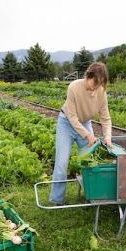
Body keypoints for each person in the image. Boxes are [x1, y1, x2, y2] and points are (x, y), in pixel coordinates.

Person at [49, 62, 113, 205]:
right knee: (61, 163)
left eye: (99, 84)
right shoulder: (74, 87)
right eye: (94, 82)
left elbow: (105, 118)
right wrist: (88, 135)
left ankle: (93, 193)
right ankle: (57, 200)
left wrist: (108, 137)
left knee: (90, 160)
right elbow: (72, 117)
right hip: (66, 123)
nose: (95, 87)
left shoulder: (101, 93)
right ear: (87, 76)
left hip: (85, 123)